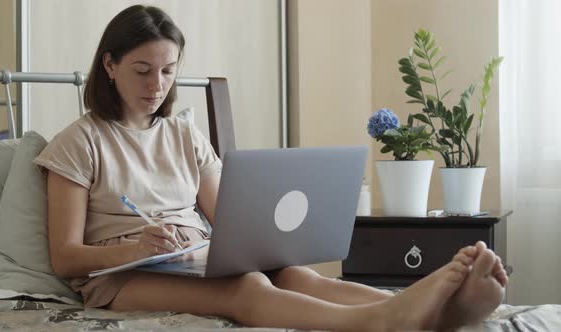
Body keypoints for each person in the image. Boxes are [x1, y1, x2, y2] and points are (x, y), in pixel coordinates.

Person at [35, 5, 508, 331]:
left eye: (168, 70)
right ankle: (379, 322)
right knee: (248, 286)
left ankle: (430, 309)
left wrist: (268, 243)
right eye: (142, 70)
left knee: (296, 275)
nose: (157, 84)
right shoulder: (80, 142)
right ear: (110, 65)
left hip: (192, 260)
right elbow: (66, 256)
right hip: (119, 277)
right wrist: (135, 246)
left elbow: (231, 221)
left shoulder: (183, 134)